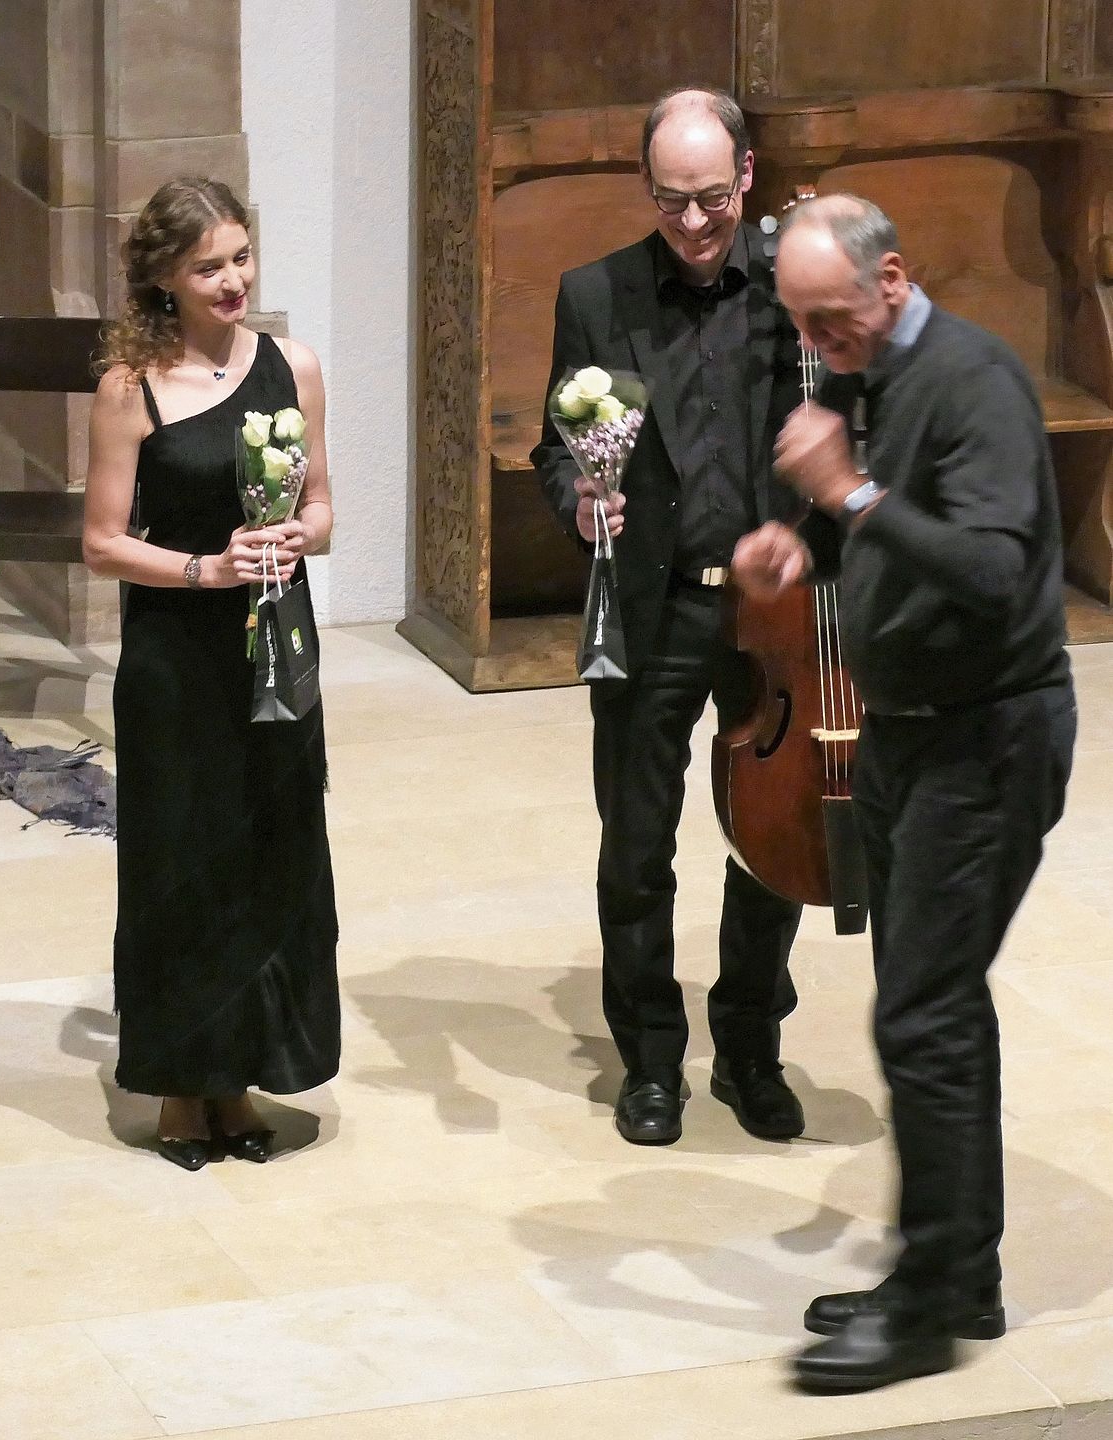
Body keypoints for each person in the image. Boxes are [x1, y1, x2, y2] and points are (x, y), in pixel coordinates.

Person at [733, 193, 1076, 1391]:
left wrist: (846, 498)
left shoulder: (971, 380)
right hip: (904, 735)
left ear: (893, 277)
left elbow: (991, 566)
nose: (816, 347)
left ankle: (930, 1307)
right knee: (930, 1005)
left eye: (831, 320)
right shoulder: (866, 372)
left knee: (919, 1019)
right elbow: (877, 530)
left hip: (985, 742)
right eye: (800, 327)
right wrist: (807, 545)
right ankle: (958, 1272)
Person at [530, 87, 808, 1146]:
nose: (691, 223)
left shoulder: (795, 282)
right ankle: (650, 1059)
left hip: (770, 615)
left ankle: (747, 1044)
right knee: (636, 845)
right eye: (667, 201)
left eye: (708, 199)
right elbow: (557, 443)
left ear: (744, 176)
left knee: (770, 837)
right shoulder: (593, 293)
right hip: (649, 609)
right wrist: (579, 500)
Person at [83, 176, 340, 1171]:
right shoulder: (127, 390)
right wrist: (207, 566)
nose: (231, 280)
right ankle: (181, 1090)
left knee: (268, 855)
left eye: (239, 257)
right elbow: (103, 543)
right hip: (173, 661)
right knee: (179, 866)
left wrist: (291, 535)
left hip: (275, 647)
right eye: (207, 267)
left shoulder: (294, 367)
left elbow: (323, 506)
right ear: (163, 280)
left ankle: (242, 1075)